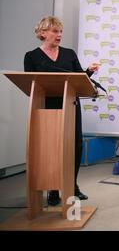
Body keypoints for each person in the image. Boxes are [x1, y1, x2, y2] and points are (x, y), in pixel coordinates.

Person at [24, 16, 100, 206]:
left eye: (60, 31)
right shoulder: (32, 57)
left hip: (71, 105)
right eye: (54, 31)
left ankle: (71, 186)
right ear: (42, 33)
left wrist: (88, 72)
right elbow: (30, 85)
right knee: (51, 147)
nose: (59, 35)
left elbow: (79, 78)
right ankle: (52, 190)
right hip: (46, 108)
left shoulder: (69, 53)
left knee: (75, 146)